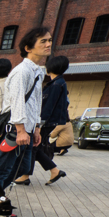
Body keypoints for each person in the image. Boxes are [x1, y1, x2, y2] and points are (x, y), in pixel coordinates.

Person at [0, 27, 51, 191]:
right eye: (43, 41)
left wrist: (36, 127)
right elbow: (17, 102)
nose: (48, 44)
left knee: (20, 169)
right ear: (28, 48)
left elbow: (36, 102)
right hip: (16, 130)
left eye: (49, 40)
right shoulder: (22, 71)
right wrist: (21, 130)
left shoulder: (37, 71)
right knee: (4, 169)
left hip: (28, 129)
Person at [19, 55, 67, 186]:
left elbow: (48, 107)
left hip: (46, 121)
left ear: (50, 67)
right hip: (49, 121)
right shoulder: (57, 83)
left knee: (33, 147)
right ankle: (54, 171)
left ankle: (25, 175)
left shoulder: (56, 85)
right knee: (37, 147)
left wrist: (39, 124)